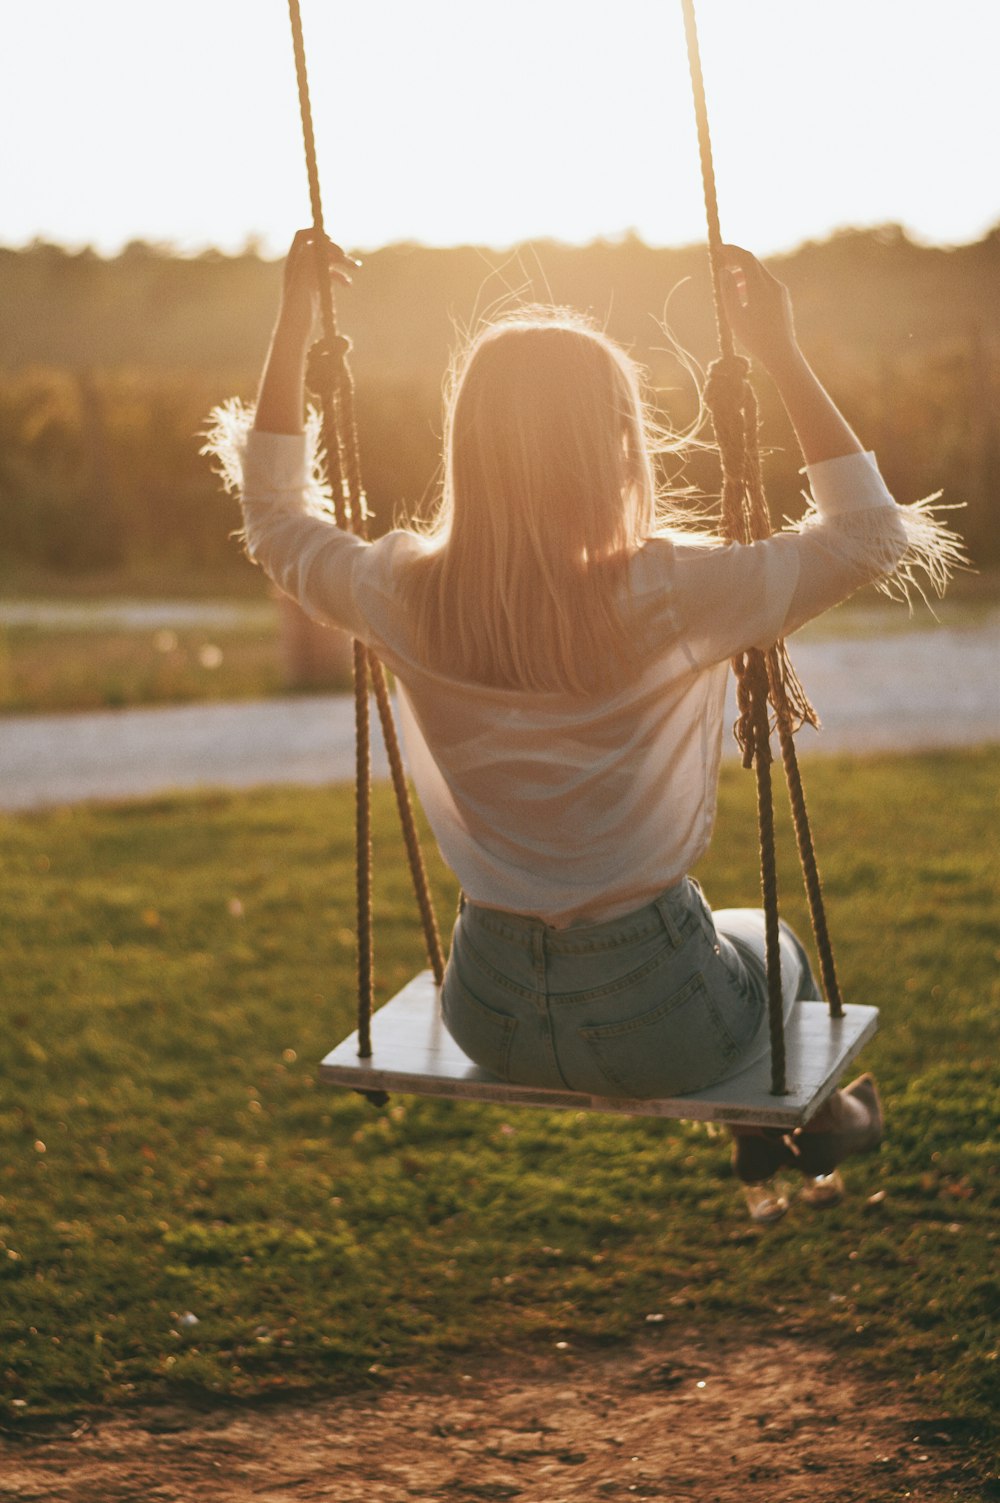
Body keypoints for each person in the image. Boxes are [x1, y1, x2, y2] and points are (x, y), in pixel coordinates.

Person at [207, 230, 957, 1217]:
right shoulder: (665, 593)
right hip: (657, 1011)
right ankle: (814, 1127)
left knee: (736, 949)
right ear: (614, 443)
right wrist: (776, 350)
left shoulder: (400, 591)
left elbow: (271, 517)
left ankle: (799, 1129)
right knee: (772, 948)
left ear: (467, 442)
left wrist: (292, 318)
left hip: (485, 1006)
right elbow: (868, 537)